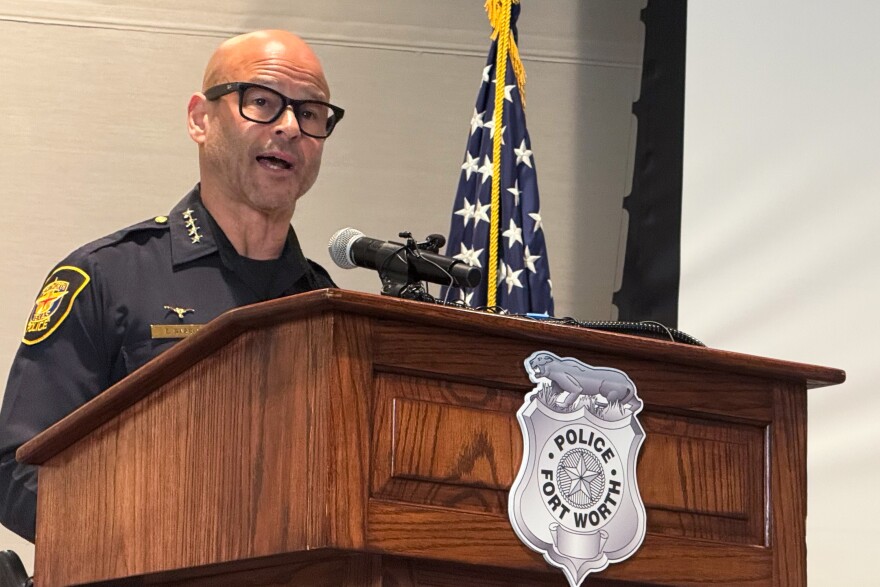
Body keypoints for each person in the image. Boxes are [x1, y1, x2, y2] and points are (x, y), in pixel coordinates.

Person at [0, 30, 342, 542]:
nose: (290, 127)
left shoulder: (325, 306)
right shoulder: (108, 278)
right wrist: (157, 540)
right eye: (263, 103)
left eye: (310, 113)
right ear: (200, 119)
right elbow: (17, 473)